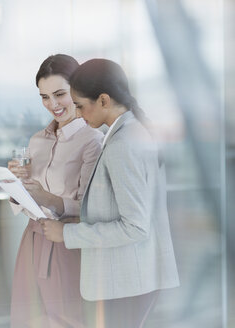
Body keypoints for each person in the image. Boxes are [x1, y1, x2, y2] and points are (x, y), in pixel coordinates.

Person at [41, 58, 180, 327]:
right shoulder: (128, 134)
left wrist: (67, 234)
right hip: (131, 280)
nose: (78, 114)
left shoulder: (123, 144)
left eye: (80, 106)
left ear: (104, 100)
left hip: (126, 282)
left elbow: (135, 227)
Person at [8, 54, 103, 327]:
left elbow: (89, 205)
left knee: (67, 320)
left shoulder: (92, 141)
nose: (52, 104)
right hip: (32, 239)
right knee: (26, 317)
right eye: (44, 97)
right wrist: (17, 186)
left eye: (59, 94)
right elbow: (26, 201)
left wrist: (47, 198)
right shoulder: (36, 140)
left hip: (66, 241)